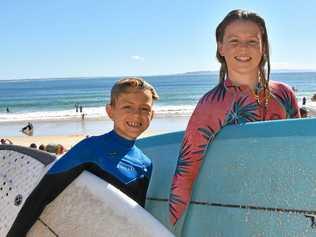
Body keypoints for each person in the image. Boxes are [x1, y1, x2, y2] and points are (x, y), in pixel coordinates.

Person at [169, 9, 300, 225]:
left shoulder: (284, 94)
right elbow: (185, 174)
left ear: (263, 47)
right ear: (221, 47)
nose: (243, 47)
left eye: (252, 41)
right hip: (235, 213)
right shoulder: (212, 104)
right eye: (234, 40)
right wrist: (173, 228)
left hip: (284, 207)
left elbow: (298, 150)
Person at [8, 77, 159, 236]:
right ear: (110, 111)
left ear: (152, 115)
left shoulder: (145, 164)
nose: (136, 115)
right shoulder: (90, 148)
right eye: (128, 107)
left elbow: (137, 219)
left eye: (144, 109)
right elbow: (40, 197)